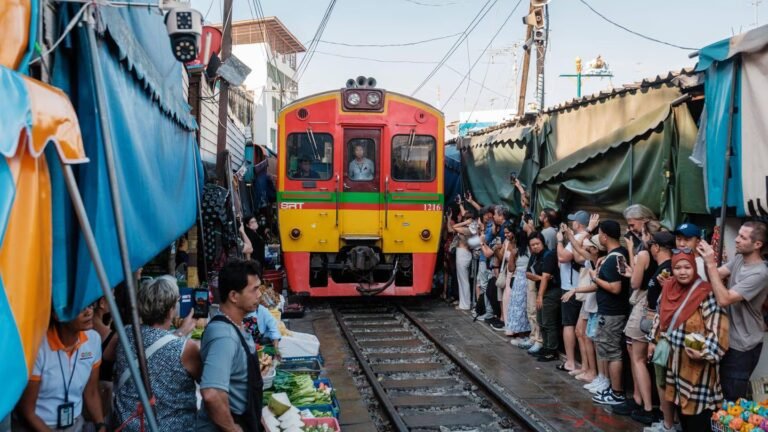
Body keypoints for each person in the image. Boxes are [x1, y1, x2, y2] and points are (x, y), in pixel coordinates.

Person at [646, 250, 729, 432]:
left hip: (697, 368)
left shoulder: (706, 293)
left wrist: (705, 352)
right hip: (674, 363)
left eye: (687, 267)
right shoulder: (669, 287)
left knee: (698, 416)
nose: (682, 272)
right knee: (680, 409)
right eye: (677, 268)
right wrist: (653, 339)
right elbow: (660, 316)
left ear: (694, 268)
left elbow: (719, 329)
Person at [113, 276, 200, 431]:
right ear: (172, 309)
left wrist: (181, 332)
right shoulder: (185, 348)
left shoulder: (125, 334)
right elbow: (208, 383)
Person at [698, 221, 768, 401]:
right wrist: (707, 260)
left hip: (744, 345)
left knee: (732, 399)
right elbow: (712, 277)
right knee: (720, 392)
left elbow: (724, 299)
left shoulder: (760, 273)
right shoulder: (738, 259)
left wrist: (711, 263)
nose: (736, 240)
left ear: (757, 244)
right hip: (728, 338)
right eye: (738, 234)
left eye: (743, 237)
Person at [17, 304, 106, 432]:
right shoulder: (38, 346)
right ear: (57, 314)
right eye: (80, 307)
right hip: (37, 426)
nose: (88, 312)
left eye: (90, 305)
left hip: (74, 424)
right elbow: (27, 411)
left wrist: (100, 425)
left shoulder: (93, 340)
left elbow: (91, 392)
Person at [198, 259, 263, 432]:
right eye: (254, 289)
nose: (259, 295)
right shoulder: (224, 337)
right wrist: (233, 429)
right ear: (234, 296)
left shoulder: (236, 326)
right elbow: (212, 393)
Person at [590, 220, 631, 406]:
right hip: (612, 311)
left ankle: (617, 393)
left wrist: (595, 279)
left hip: (612, 313)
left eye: (599, 233)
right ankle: (612, 389)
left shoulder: (614, 258)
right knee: (607, 350)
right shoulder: (618, 255)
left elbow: (615, 288)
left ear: (604, 235)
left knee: (613, 353)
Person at [556, 210, 591, 372]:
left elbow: (563, 257)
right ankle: (583, 365)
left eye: (573, 221)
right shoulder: (586, 236)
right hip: (578, 286)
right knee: (578, 328)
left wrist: (559, 242)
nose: (571, 224)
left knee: (569, 324)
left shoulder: (577, 237)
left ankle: (571, 361)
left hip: (572, 286)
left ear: (579, 224)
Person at [526, 232, 561, 362]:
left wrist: (540, 296)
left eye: (537, 244)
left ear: (543, 243)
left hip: (552, 291)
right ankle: (545, 347)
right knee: (541, 320)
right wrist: (540, 278)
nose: (535, 247)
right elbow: (528, 274)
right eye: (532, 245)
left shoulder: (549, 255)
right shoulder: (534, 256)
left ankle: (551, 350)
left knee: (548, 321)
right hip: (542, 288)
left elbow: (547, 277)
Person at [504, 225, 531, 343]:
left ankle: (520, 335)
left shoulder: (515, 251)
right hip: (530, 279)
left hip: (519, 279)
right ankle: (529, 333)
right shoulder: (531, 250)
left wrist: (511, 258)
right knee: (528, 307)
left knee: (518, 307)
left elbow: (510, 268)